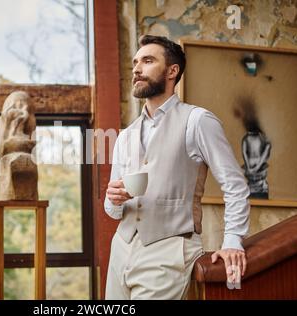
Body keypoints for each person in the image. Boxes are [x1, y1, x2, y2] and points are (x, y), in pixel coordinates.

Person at [104, 35, 250, 300]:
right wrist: (113, 199)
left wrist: (232, 241)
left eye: (148, 61)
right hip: (121, 248)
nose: (137, 68)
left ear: (172, 71)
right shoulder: (125, 136)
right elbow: (114, 211)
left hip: (169, 249)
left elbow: (235, 184)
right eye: (135, 62)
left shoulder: (197, 121)